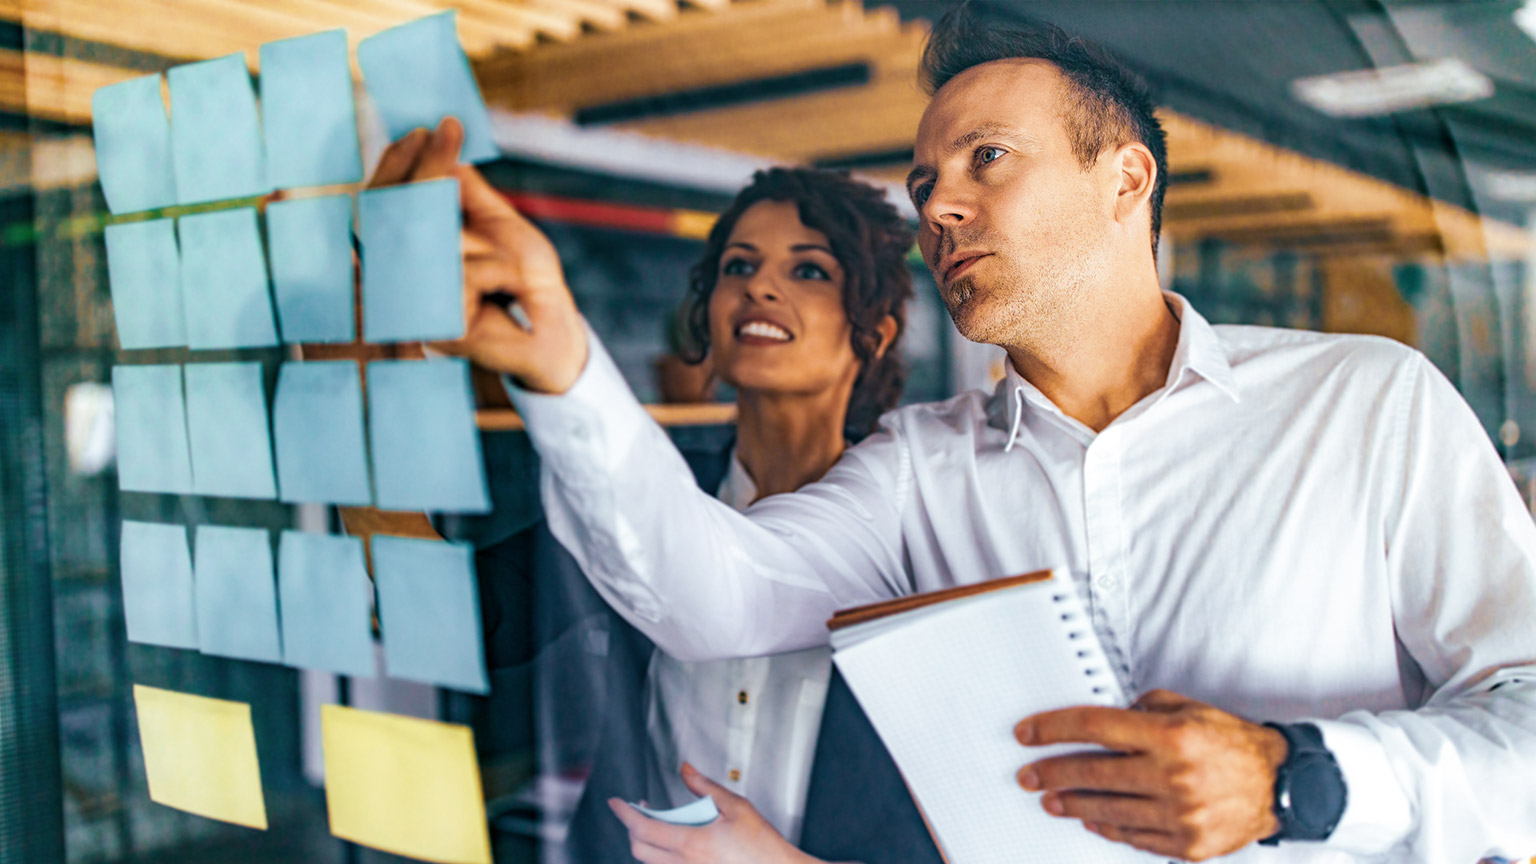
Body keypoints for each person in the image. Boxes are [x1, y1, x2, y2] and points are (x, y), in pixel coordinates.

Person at [399, 9, 1536, 862]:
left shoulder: (1367, 403)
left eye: (987, 159)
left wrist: (1300, 781)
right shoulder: (918, 468)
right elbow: (710, 599)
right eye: (924, 179)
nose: (937, 206)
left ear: (1123, 178)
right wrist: (561, 369)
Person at [465, 166, 933, 861]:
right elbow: (470, 618)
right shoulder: (634, 506)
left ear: (876, 333)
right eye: (738, 266)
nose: (759, 287)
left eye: (809, 271)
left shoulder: (927, 532)